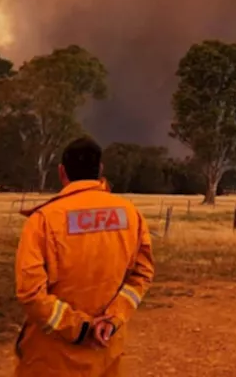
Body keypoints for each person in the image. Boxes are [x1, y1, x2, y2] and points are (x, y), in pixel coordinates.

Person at [14, 137, 155, 376]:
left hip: (50, 360)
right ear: (100, 170)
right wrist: (112, 319)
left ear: (62, 172)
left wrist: (81, 328)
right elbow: (142, 275)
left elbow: (30, 293)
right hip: (105, 352)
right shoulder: (131, 215)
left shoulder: (44, 220)